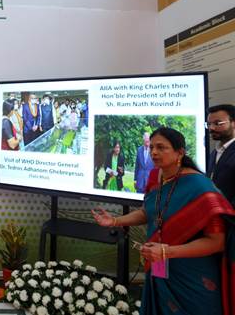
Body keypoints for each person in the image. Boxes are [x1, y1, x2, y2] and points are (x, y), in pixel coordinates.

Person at [92, 127, 235, 315]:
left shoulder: (200, 187)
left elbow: (217, 242)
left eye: (161, 147)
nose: (153, 152)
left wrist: (168, 251)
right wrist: (115, 221)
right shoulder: (155, 176)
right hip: (159, 264)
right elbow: (148, 212)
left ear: (180, 152)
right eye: (151, 147)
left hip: (192, 276)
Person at [206, 104, 235, 204]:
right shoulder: (214, 152)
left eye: (217, 123)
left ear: (233, 123)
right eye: (209, 124)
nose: (211, 128)